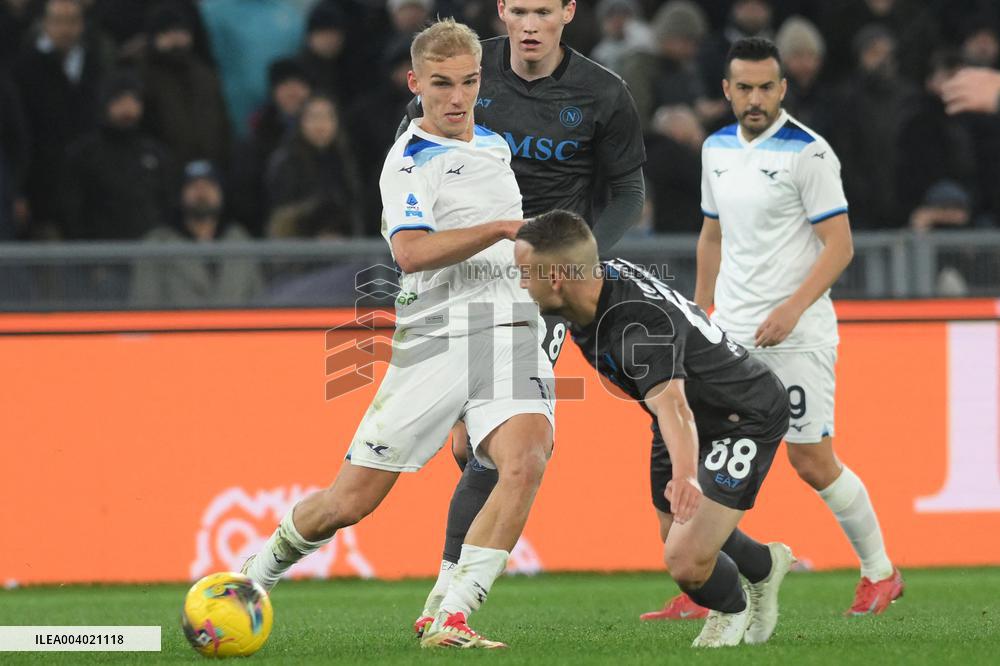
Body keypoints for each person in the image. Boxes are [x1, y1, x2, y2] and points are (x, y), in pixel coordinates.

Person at [242, 19, 556, 650]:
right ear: (416, 83)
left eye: (468, 82)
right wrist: (499, 229)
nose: (456, 97)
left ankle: (453, 614)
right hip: (435, 341)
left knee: (525, 460)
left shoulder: (494, 144)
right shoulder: (408, 163)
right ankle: (256, 572)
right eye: (441, 84)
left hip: (511, 332)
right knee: (348, 502)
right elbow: (410, 253)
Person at [401, 0, 646, 635]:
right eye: (519, 8)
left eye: (544, 9)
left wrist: (577, 259)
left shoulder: (604, 93)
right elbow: (415, 147)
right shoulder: (466, 73)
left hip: (539, 291)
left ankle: (444, 600)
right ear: (503, 11)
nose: (530, 23)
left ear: (568, 12)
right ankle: (449, 596)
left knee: (503, 451)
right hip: (461, 281)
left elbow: (627, 193)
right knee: (470, 448)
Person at [653, 37, 903, 620]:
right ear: (727, 90)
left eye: (767, 86)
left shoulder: (808, 154)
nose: (756, 97)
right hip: (731, 333)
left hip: (798, 335)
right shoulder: (715, 147)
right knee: (707, 452)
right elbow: (712, 234)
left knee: (811, 461)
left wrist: (790, 308)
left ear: (783, 88)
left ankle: (881, 573)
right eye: (745, 87)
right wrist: (699, 311)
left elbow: (839, 246)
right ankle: (707, 584)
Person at [513, 210, 793, 647]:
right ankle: (763, 565)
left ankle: (730, 610)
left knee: (684, 561)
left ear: (556, 279)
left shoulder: (636, 326)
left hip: (741, 416)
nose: (520, 283)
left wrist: (685, 476)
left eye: (525, 273)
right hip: (682, 413)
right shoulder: (589, 286)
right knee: (675, 532)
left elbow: (676, 408)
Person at [130, 159, 263, 307]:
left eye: (209, 185)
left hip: (235, 329)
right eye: (193, 186)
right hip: (178, 329)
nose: (202, 193)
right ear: (180, 194)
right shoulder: (157, 243)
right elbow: (144, 306)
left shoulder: (240, 240)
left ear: (221, 193)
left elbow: (258, 301)